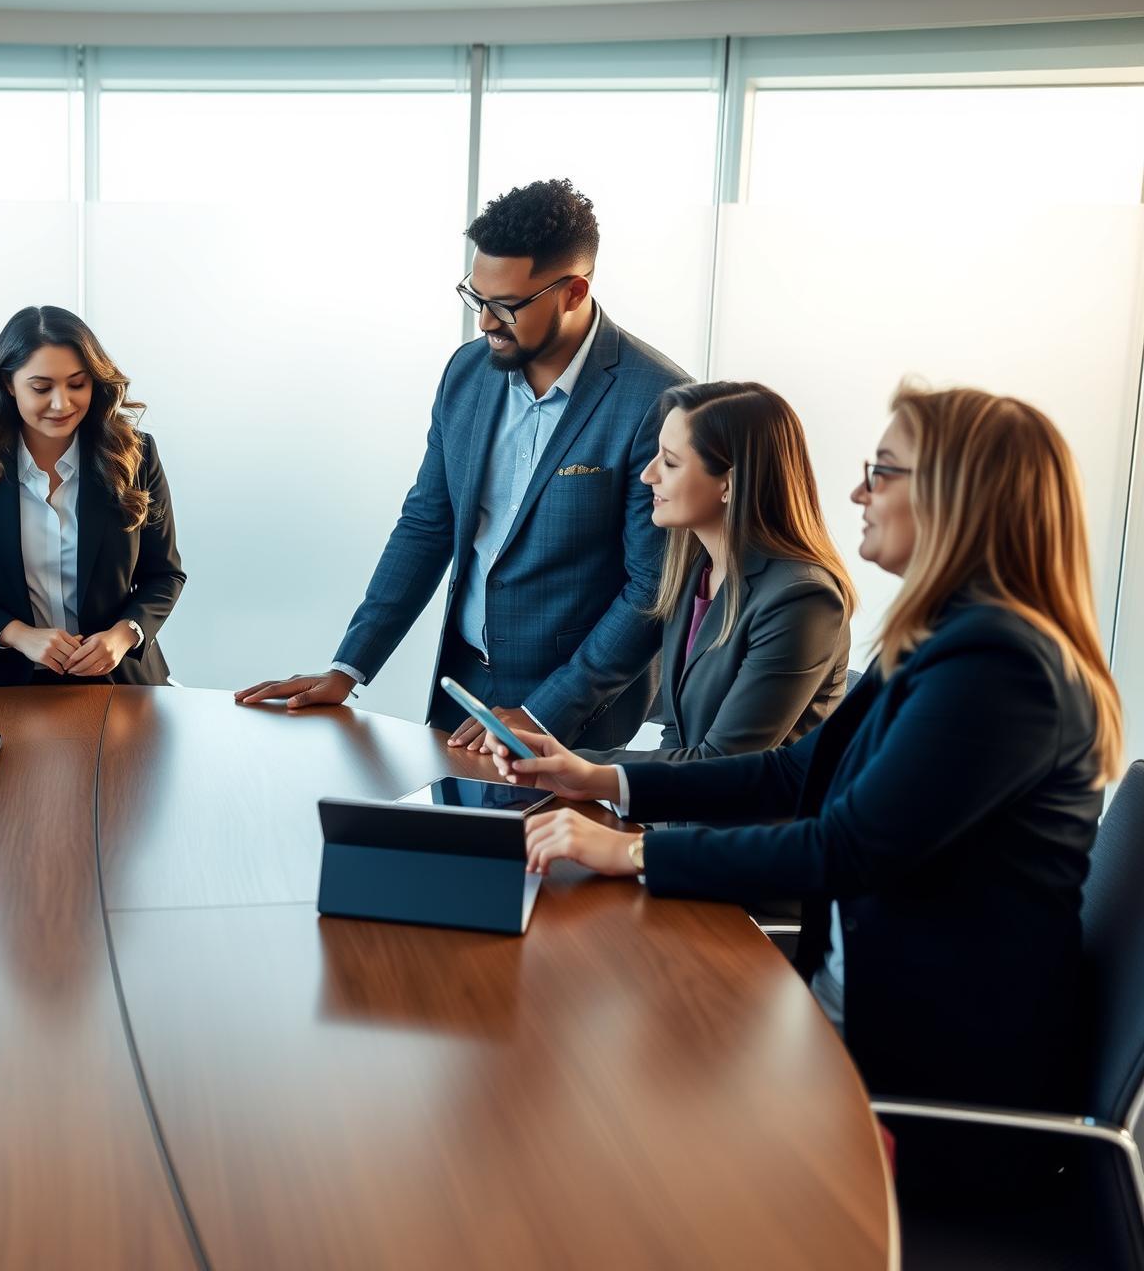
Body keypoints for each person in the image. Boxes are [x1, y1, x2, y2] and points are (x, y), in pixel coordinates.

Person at [495, 384, 1122, 1113]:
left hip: (927, 1082)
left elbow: (845, 849)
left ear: (958, 497)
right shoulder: (940, 640)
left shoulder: (1000, 669)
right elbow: (796, 771)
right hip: (859, 1020)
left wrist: (632, 854)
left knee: (609, 1087)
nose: (858, 490)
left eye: (882, 471)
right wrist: (599, 779)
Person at [237, 178, 688, 747]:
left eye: (506, 306)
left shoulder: (658, 401)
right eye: (476, 298)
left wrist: (548, 710)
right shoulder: (467, 373)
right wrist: (349, 667)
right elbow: (428, 523)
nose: (485, 322)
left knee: (541, 840)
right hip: (462, 688)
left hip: (576, 709)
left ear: (574, 292)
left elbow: (652, 587)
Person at [502, 381, 855, 769]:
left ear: (729, 483)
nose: (648, 475)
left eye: (670, 462)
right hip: (687, 818)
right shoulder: (695, 572)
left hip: (749, 826)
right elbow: (678, 732)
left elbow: (722, 763)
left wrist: (575, 767)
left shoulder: (802, 599)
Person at [0, 306, 184, 688]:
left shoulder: (135, 454)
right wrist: (16, 634)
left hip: (119, 682)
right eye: (42, 388)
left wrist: (124, 634)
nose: (62, 404)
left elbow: (164, 574)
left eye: (77, 384)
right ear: (9, 384)